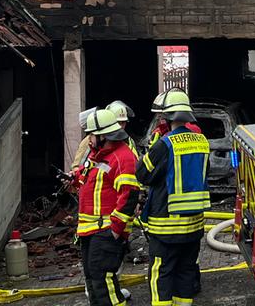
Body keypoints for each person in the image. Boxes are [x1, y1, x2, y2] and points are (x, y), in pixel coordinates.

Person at [137, 91, 210, 306]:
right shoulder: (202, 141)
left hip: (167, 225)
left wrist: (147, 153)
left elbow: (143, 174)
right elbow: (207, 173)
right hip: (195, 225)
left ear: (167, 118)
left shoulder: (165, 144)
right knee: (186, 270)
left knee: (161, 273)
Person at [76, 108, 141, 306]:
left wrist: (115, 229)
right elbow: (90, 178)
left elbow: (129, 194)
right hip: (90, 230)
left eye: (91, 135)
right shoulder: (99, 155)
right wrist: (74, 179)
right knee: (93, 280)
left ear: (103, 135)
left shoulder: (123, 157)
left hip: (105, 231)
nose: (89, 139)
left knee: (103, 282)